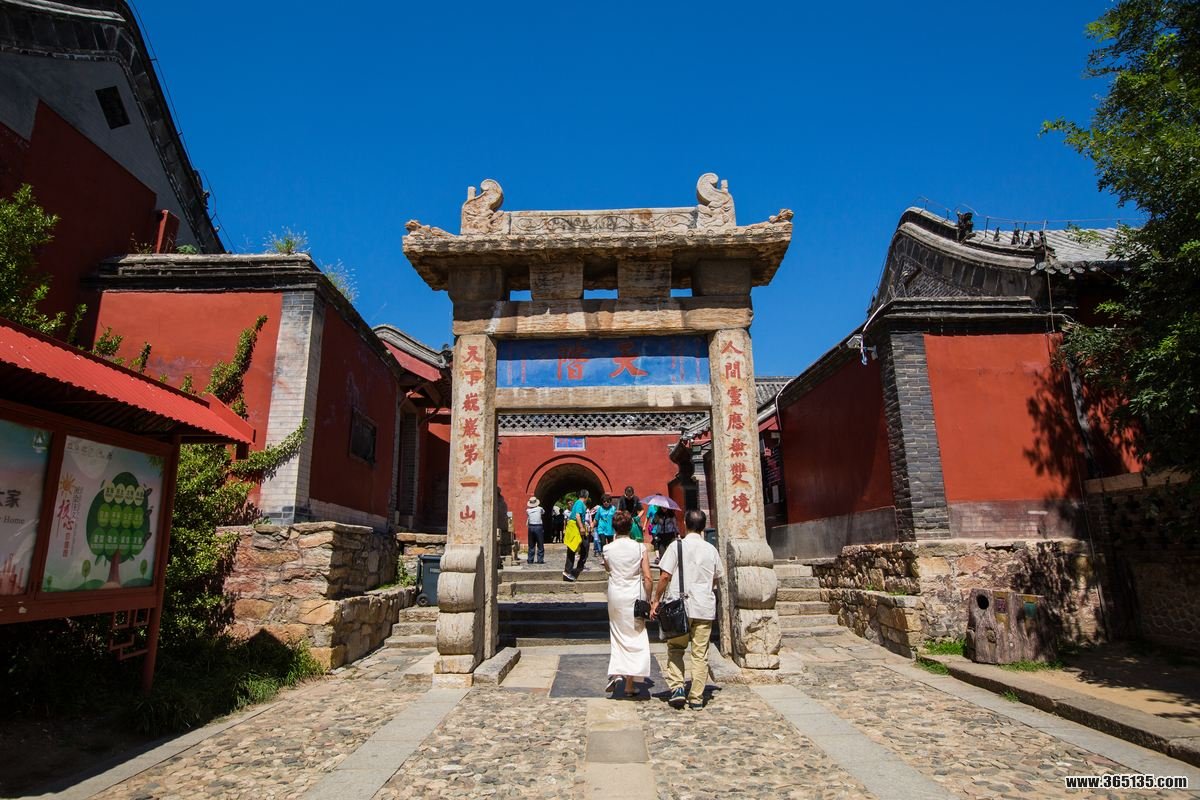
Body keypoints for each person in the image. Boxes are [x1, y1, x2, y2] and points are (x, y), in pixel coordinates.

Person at [651, 509, 725, 710]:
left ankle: (677, 688)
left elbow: (665, 576)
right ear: (704, 526)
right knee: (700, 654)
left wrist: (656, 600)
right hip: (704, 607)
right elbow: (716, 577)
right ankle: (697, 697)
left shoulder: (677, 546)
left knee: (676, 648)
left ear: (685, 523)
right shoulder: (711, 549)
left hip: (679, 606)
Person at [602, 510, 651, 698]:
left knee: (617, 634)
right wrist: (649, 598)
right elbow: (647, 577)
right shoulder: (639, 548)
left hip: (616, 593)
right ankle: (629, 683)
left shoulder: (607, 549)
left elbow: (608, 568)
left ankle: (616, 673)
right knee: (635, 634)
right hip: (634, 594)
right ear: (631, 527)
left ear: (614, 528)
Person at [562, 489, 590, 581]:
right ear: (586, 496)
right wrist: (581, 527)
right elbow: (577, 515)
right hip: (575, 527)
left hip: (575, 526)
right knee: (573, 548)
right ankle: (568, 571)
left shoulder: (578, 503)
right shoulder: (580, 503)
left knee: (583, 546)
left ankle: (579, 566)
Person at [526, 496, 545, 565]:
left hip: (531, 527)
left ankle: (530, 559)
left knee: (531, 544)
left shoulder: (527, 510)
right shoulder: (540, 509)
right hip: (538, 526)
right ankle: (540, 559)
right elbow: (543, 512)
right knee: (540, 544)